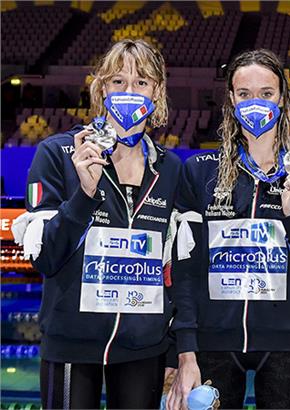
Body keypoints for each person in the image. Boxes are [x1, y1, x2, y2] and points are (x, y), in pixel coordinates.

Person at [16, 39, 181, 408]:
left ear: (157, 92)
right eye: (118, 81)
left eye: (142, 82)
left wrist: (174, 351)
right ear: (102, 88)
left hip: (144, 347)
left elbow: (175, 269)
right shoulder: (59, 153)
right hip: (73, 344)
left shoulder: (170, 169)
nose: (129, 91)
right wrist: (84, 196)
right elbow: (45, 258)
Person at [166, 49, 290, 409]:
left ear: (281, 98)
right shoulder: (200, 172)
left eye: (266, 94)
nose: (256, 103)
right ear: (231, 101)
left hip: (285, 343)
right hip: (214, 343)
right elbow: (185, 272)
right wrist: (186, 349)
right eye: (245, 94)